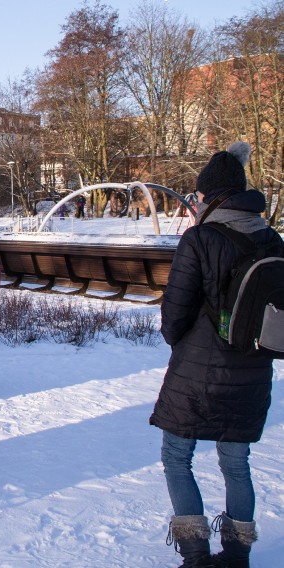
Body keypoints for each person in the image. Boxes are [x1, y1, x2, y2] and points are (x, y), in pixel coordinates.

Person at [150, 142, 275, 568]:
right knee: (237, 464)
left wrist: (180, 340)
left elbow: (175, 312)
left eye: (200, 195)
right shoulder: (271, 237)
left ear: (213, 196)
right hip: (253, 371)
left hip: (198, 376)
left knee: (176, 457)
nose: (196, 201)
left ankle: (197, 556)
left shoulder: (200, 238)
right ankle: (237, 555)